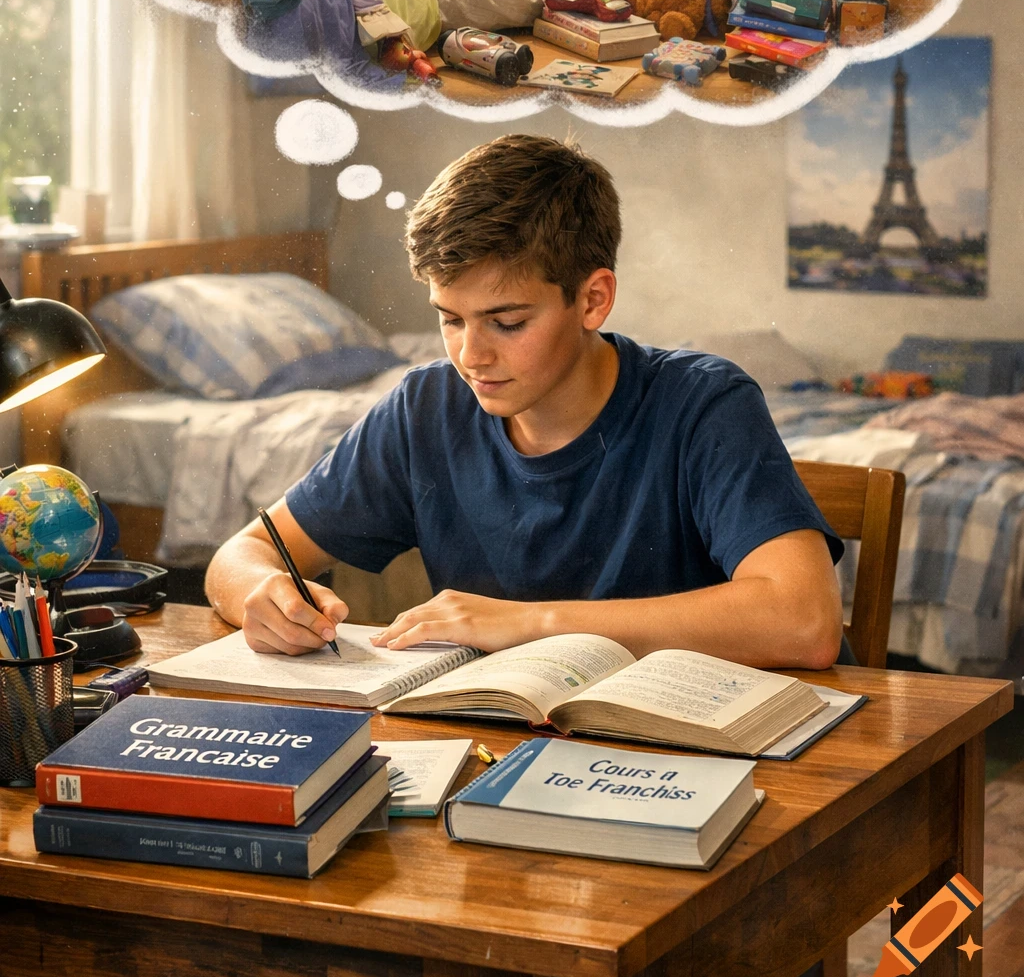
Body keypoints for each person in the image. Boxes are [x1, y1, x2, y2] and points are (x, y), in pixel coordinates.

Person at [206, 134, 844, 671]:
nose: (470, 355)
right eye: (450, 319)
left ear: (593, 300)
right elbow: (240, 555)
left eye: (506, 322)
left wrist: (530, 624)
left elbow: (805, 621)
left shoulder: (705, 402)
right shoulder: (424, 408)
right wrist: (262, 593)